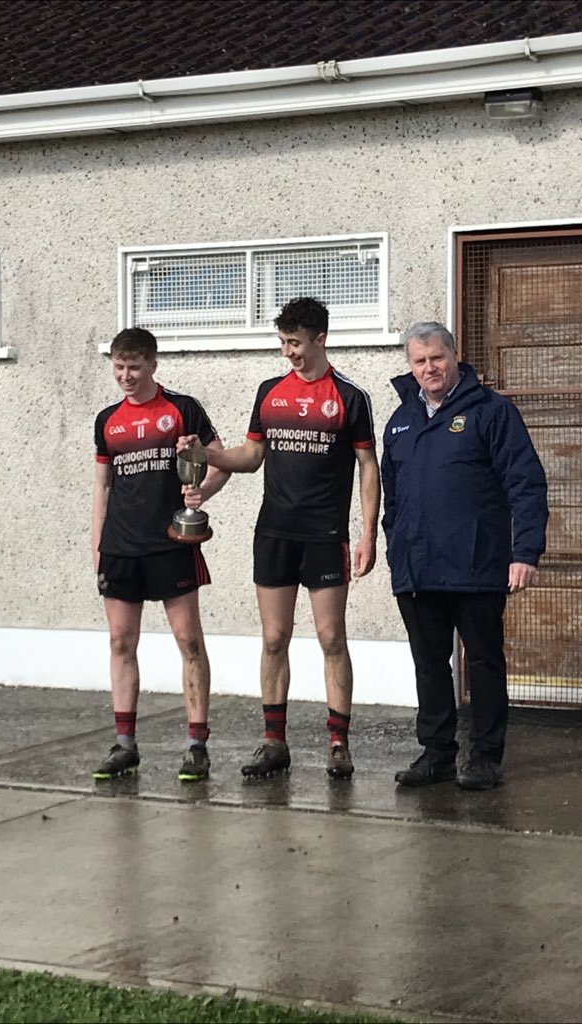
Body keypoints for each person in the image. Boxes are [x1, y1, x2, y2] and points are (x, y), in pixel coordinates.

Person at [179, 297, 380, 779]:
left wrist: (367, 534)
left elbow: (368, 468)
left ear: (320, 339)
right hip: (274, 532)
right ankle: (274, 742)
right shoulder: (270, 392)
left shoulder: (350, 397)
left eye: (294, 342)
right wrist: (204, 455)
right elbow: (249, 457)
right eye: (283, 342)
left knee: (332, 637)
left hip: (324, 533)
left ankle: (337, 743)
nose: (287, 352)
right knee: (274, 637)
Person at [382, 322, 548, 790]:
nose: (429, 367)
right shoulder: (400, 422)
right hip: (417, 569)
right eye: (420, 361)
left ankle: (486, 758)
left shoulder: (492, 412)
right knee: (429, 664)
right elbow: (392, 499)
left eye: (437, 357)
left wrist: (525, 551)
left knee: (484, 662)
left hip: (477, 566)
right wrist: (395, 546)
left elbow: (526, 483)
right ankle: (436, 754)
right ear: (411, 367)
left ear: (454, 357)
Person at [91, 328, 229, 783]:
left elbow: (222, 460)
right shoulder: (106, 421)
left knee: (189, 642)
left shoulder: (181, 409)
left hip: (171, 543)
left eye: (133, 367)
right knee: (119, 644)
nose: (126, 377)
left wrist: (199, 494)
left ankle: (196, 746)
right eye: (118, 368)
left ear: (152, 364)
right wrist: (97, 548)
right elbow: (102, 488)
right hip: (121, 548)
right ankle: (125, 745)